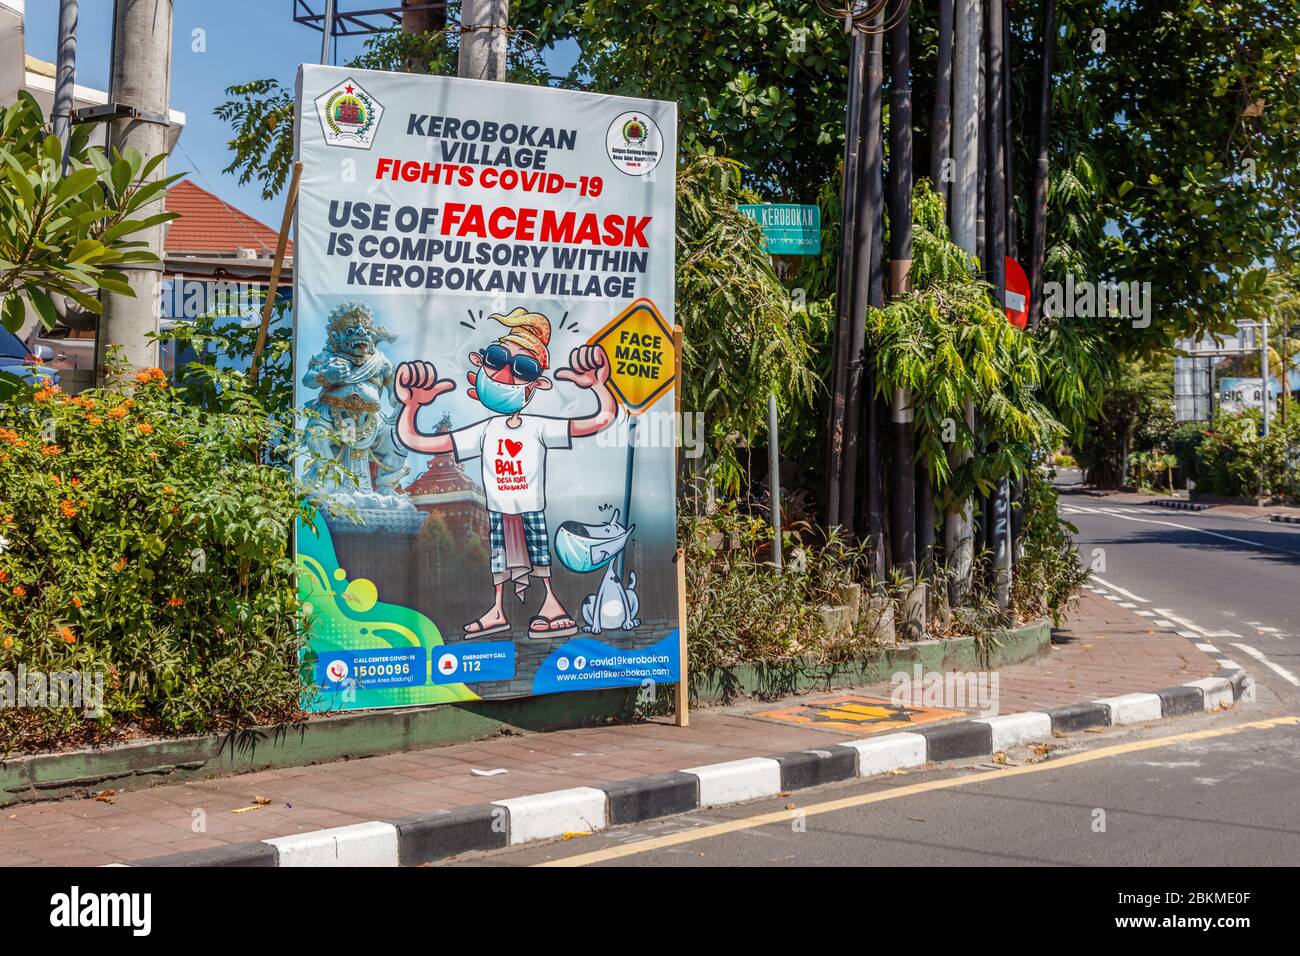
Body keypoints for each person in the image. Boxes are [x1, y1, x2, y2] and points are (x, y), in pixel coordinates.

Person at [394, 308, 617, 639]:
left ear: (536, 383)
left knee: (538, 556)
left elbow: (601, 420)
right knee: (499, 560)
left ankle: (551, 605)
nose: (505, 374)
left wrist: (599, 387)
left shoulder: (538, 426)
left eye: (523, 368)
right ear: (481, 362)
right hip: (498, 510)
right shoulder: (484, 430)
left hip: (529, 507)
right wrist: (410, 406)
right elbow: (416, 440)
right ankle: (498, 610)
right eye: (497, 358)